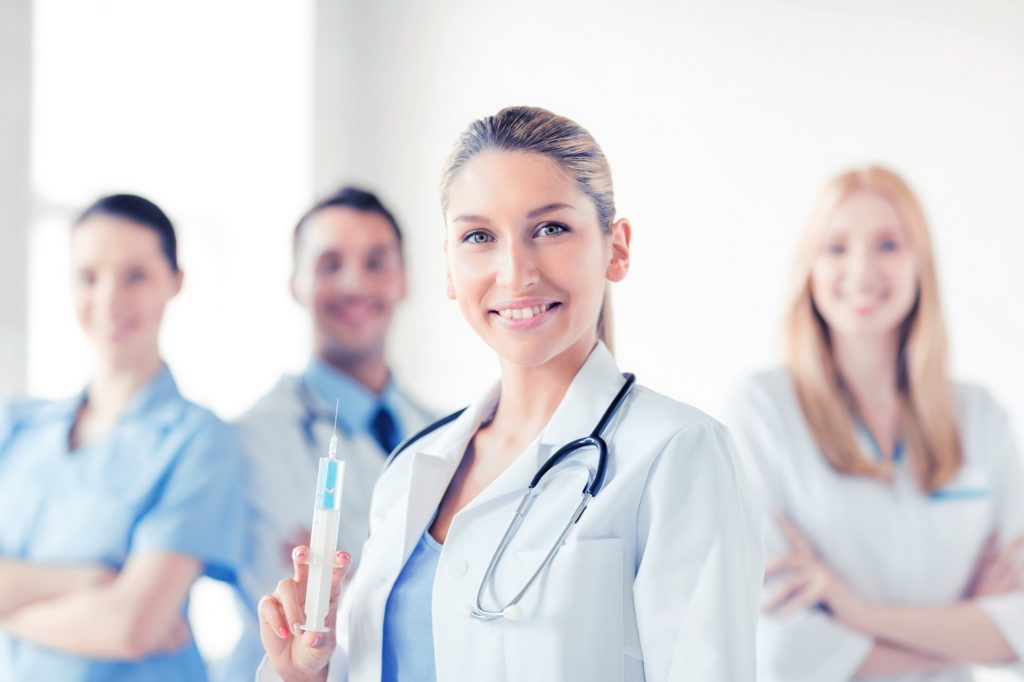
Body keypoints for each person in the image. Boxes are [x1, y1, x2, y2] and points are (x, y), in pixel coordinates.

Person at [256, 106, 764, 682]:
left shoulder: (677, 454)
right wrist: (304, 672)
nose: (515, 271)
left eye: (550, 229)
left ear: (616, 248)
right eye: (479, 236)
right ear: (448, 267)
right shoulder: (410, 473)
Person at [727, 166, 1024, 680]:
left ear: (921, 263)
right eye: (836, 247)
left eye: (888, 244)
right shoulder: (765, 408)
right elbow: (780, 642)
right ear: (809, 269)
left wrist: (855, 612)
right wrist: (967, 632)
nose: (862, 269)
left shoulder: (980, 417)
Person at [0, 194, 246, 680]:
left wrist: (11, 609)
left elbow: (131, 627)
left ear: (175, 282)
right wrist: (89, 582)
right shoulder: (17, 425)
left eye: (136, 275)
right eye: (89, 276)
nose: (110, 298)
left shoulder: (200, 440)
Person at [228, 187, 434, 681]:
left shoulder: (447, 433)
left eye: (375, 262)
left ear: (403, 280)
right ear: (295, 283)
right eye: (329, 263)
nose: (353, 282)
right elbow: (294, 608)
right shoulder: (249, 440)